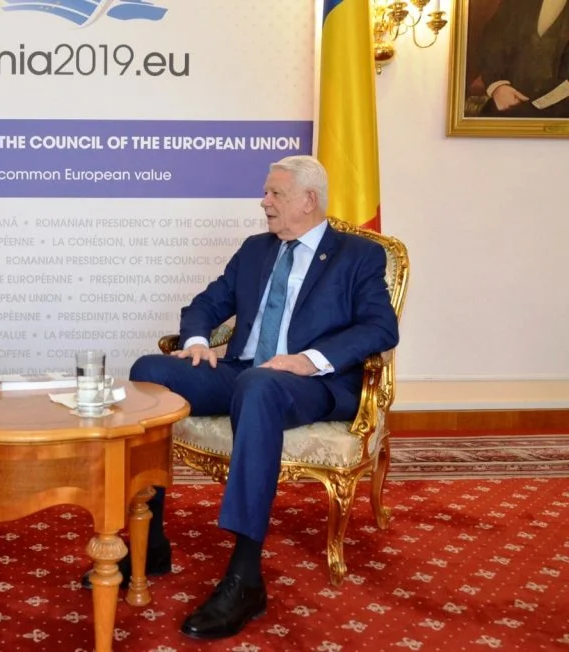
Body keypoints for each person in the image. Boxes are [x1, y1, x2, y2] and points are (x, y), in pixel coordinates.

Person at [100, 155, 399, 640]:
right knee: (149, 370)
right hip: (243, 371)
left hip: (311, 384)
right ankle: (149, 542)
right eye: (266, 192)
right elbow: (206, 303)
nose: (264, 202)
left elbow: (380, 327)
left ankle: (245, 577)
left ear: (309, 200)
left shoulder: (357, 256)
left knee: (259, 386)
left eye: (275, 193)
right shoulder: (256, 249)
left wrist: (310, 360)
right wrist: (198, 341)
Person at [476, 0, 569, 118]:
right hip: (506, 99)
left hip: (560, 108)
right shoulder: (516, 2)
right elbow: (492, 42)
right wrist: (498, 86)